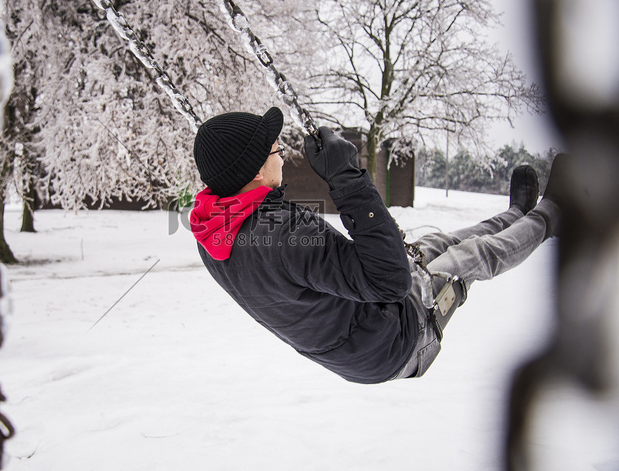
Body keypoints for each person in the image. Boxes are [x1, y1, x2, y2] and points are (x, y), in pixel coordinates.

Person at [189, 107, 562, 383]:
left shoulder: (213, 230)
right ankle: (552, 215)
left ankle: (516, 215)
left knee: (438, 242)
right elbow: (390, 281)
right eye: (275, 150)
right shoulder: (281, 233)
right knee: (469, 257)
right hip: (396, 340)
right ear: (254, 171)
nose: (282, 154)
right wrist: (349, 180)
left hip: (360, 342)